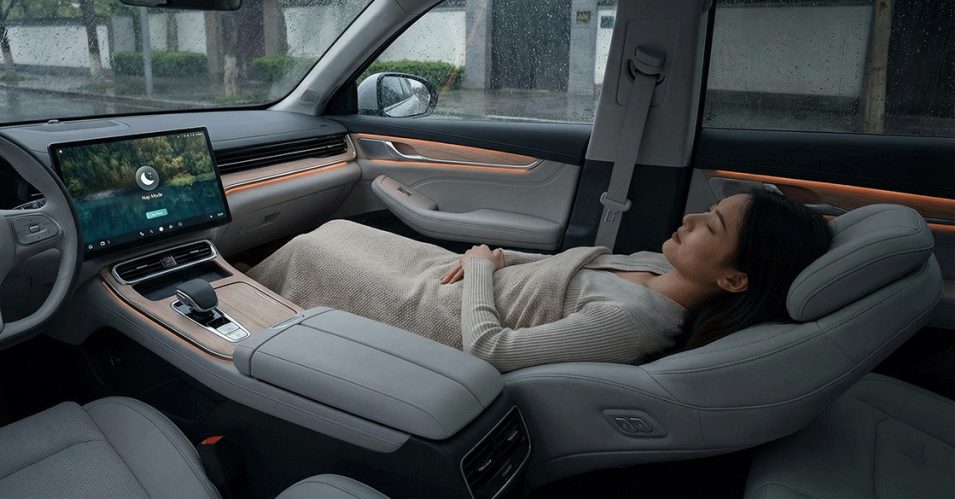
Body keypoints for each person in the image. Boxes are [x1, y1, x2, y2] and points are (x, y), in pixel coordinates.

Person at [247, 189, 832, 372]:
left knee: (311, 248)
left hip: (443, 317)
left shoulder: (633, 322)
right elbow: (558, 269)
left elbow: (492, 350)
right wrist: (494, 257)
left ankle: (236, 317)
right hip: (460, 279)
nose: (690, 219)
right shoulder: (658, 267)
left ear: (734, 280)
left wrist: (478, 269)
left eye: (713, 226)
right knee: (341, 228)